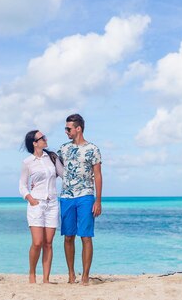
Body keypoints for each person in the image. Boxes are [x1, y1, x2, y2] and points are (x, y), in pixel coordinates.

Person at [57, 113, 102, 285]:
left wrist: (98, 200)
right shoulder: (63, 149)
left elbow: (98, 175)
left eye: (68, 128)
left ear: (78, 128)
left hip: (86, 196)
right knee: (68, 237)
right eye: (65, 128)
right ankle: (71, 274)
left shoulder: (93, 149)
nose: (66, 131)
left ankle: (85, 276)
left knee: (86, 237)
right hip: (66, 197)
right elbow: (53, 168)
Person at [19, 130, 63, 284]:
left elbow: (63, 174)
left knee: (48, 243)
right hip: (36, 204)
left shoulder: (52, 157)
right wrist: (30, 198)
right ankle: (32, 274)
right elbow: (22, 185)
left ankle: (46, 279)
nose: (45, 139)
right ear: (34, 143)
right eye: (42, 138)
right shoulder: (28, 162)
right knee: (37, 242)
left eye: (45, 137)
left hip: (52, 204)